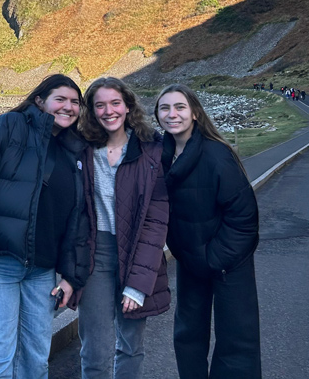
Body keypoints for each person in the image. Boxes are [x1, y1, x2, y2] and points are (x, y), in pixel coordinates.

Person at [0, 74, 91, 378]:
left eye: (75, 102)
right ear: (39, 100)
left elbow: (77, 219)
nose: (68, 107)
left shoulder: (73, 150)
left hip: (41, 272)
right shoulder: (7, 127)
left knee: (34, 361)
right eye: (61, 99)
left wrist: (71, 275)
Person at [155, 84, 261, 378]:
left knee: (236, 341)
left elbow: (244, 218)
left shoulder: (217, 155)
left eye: (179, 107)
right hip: (190, 260)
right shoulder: (160, 157)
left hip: (227, 261)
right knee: (188, 335)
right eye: (164, 108)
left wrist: (214, 258)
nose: (172, 114)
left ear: (195, 114)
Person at [76, 77, 170, 379]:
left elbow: (156, 221)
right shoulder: (80, 150)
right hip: (96, 255)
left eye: (115, 103)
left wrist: (139, 284)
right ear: (91, 110)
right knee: (95, 349)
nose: (108, 111)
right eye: (99, 105)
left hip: (137, 251)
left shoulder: (151, 151)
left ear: (128, 106)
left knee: (130, 345)